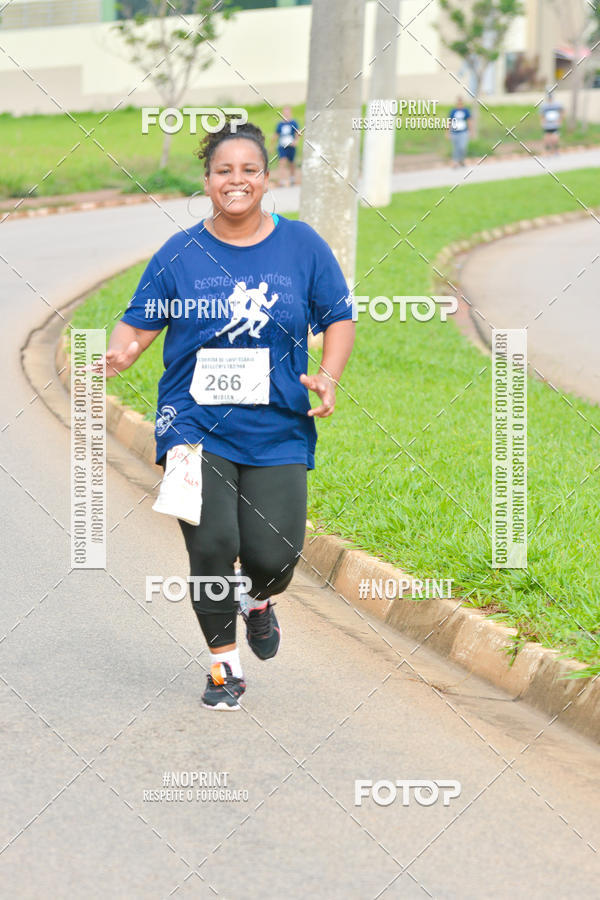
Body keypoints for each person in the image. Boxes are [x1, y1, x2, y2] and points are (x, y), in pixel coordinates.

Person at [102, 121, 355, 710]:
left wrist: (329, 374)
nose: (236, 180)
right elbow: (137, 323)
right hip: (191, 422)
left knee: (274, 555)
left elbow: (338, 316)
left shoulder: (301, 245)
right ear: (207, 180)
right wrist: (123, 351)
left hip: (278, 422)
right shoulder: (179, 253)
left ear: (267, 179)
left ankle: (258, 600)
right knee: (212, 545)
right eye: (224, 170)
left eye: (248, 170)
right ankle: (223, 667)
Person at [273, 106, 300, 186]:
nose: (286, 113)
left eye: (287, 112)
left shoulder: (293, 123)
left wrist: (296, 141)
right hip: (282, 145)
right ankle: (281, 180)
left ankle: (292, 178)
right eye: (285, 112)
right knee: (282, 161)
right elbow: (276, 134)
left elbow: (297, 133)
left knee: (291, 163)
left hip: (291, 145)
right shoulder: (280, 124)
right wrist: (272, 145)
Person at [448, 96, 471, 167]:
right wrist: (447, 132)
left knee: (462, 147)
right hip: (454, 132)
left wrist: (470, 131)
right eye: (458, 103)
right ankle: (455, 162)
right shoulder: (453, 111)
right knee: (455, 148)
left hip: (463, 132)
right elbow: (449, 121)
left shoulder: (466, 111)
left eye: (461, 103)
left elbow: (469, 121)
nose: (459, 104)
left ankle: (461, 160)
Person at [540, 89, 564, 154]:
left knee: (555, 138)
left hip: (554, 124)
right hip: (547, 124)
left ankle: (555, 150)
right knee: (547, 137)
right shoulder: (544, 105)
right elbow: (542, 115)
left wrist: (560, 120)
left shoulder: (557, 104)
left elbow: (561, 111)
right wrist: (543, 122)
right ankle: (548, 151)